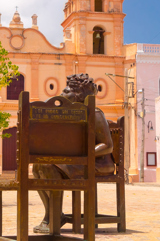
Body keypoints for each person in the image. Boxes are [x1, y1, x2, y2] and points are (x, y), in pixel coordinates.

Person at [32, 73, 115, 234]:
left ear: (78, 95)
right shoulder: (69, 115)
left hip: (98, 162)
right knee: (38, 166)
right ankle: (53, 214)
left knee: (50, 168)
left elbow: (108, 145)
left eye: (66, 91)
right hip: (78, 160)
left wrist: (83, 155)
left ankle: (54, 217)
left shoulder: (95, 113)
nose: (61, 94)